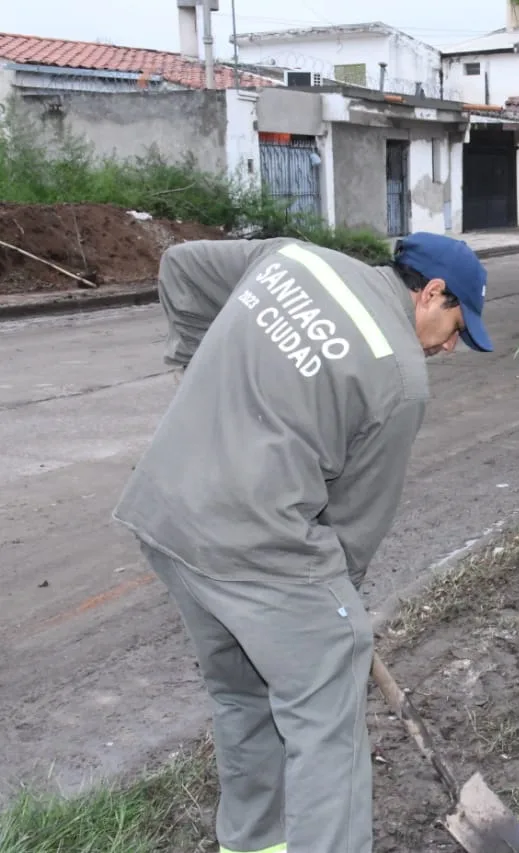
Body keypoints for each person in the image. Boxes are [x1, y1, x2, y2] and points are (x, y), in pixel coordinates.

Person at [111, 231, 493, 853]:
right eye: (457, 327)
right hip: (254, 547)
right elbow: (351, 536)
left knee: (245, 694)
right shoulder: (400, 378)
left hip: (170, 517)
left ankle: (252, 843)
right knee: (326, 719)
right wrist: (334, 620)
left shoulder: (294, 258)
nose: (452, 346)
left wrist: (193, 369)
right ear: (430, 292)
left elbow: (179, 267)